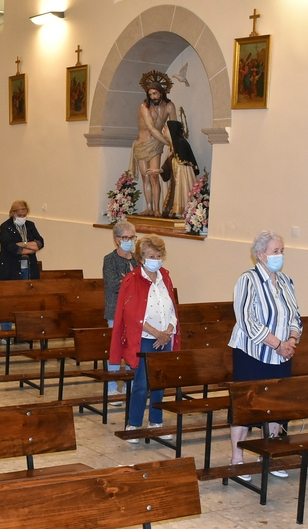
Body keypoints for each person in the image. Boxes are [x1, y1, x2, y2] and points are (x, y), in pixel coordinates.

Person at [228, 230, 302, 480]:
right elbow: (247, 320)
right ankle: (237, 458)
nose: (280, 255)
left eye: (281, 251)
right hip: (253, 354)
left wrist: (291, 340)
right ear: (260, 255)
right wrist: (276, 343)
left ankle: (269, 455)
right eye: (275, 251)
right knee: (247, 407)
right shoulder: (247, 280)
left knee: (276, 408)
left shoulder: (286, 281)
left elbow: (295, 316)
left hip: (281, 355)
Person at [110, 234, 178, 443]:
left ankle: (156, 422)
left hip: (164, 338)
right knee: (141, 383)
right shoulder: (132, 279)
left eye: (159, 255)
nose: (156, 259)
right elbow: (131, 314)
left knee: (160, 383)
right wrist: (156, 333)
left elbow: (172, 308)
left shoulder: (165, 276)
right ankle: (134, 423)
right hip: (145, 338)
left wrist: (167, 331)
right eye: (151, 255)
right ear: (141, 257)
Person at [103, 220, 138, 403]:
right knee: (116, 349)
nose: (130, 241)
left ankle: (130, 385)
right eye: (126, 237)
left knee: (133, 348)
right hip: (115, 310)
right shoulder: (110, 260)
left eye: (132, 237)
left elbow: (143, 284)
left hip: (135, 312)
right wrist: (131, 279)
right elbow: (113, 284)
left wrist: (128, 279)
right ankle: (112, 389)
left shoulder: (137, 259)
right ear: (117, 239)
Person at [133, 80, 177, 216]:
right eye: (150, 94)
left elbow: (174, 126)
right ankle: (149, 207)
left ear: (161, 93)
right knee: (145, 177)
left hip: (156, 145)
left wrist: (174, 143)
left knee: (154, 176)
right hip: (142, 144)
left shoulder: (169, 106)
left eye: (155, 93)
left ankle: (157, 209)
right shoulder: (144, 107)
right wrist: (168, 143)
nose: (153, 97)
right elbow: (151, 129)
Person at [0, 200, 44, 281]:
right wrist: (31, 249)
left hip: (30, 267)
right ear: (13, 213)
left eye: (24, 215)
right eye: (19, 215)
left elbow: (40, 243)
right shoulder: (6, 227)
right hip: (11, 268)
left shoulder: (30, 225)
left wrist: (22, 244)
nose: (22, 218)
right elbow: (13, 248)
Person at [160, 120, 198, 219]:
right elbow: (171, 163)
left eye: (166, 127)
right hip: (176, 176)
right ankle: (175, 210)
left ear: (172, 130)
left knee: (182, 191)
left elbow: (181, 162)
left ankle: (181, 210)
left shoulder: (180, 143)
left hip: (182, 176)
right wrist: (160, 170)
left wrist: (171, 159)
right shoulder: (173, 145)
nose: (163, 130)